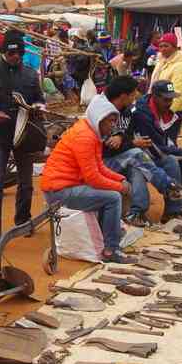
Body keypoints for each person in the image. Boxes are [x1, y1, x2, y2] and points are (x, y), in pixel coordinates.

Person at [40, 97, 135, 264]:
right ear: (99, 118)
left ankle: (109, 235)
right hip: (58, 192)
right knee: (113, 197)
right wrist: (119, 187)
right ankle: (111, 249)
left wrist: (121, 179)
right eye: (110, 121)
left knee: (116, 190)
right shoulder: (85, 136)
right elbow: (93, 178)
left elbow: (99, 167)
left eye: (114, 121)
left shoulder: (91, 132)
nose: (113, 126)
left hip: (65, 186)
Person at [0, 30, 44, 248]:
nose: (17, 57)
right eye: (13, 53)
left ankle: (23, 221)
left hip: (25, 136)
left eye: (20, 53)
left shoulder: (31, 75)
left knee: (26, 184)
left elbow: (40, 100)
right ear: (4, 52)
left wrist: (39, 108)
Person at [99, 77, 182, 227]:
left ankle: (170, 210)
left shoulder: (128, 112)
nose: (136, 98)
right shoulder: (106, 113)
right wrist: (131, 142)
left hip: (125, 155)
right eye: (133, 94)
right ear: (123, 96)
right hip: (106, 160)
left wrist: (123, 138)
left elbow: (123, 135)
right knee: (137, 159)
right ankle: (167, 189)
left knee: (165, 162)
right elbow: (107, 146)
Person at [131, 80, 182, 223]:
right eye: (166, 99)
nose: (169, 103)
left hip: (155, 150)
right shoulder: (142, 114)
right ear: (155, 97)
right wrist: (178, 152)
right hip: (142, 153)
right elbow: (153, 146)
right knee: (171, 161)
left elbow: (169, 141)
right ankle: (172, 211)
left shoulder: (167, 113)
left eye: (171, 99)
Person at [149, 33, 182, 112]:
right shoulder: (161, 63)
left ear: (175, 47)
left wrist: (168, 114)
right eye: (160, 46)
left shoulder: (180, 66)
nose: (163, 49)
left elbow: (178, 94)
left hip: (171, 111)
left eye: (166, 46)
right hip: (157, 110)